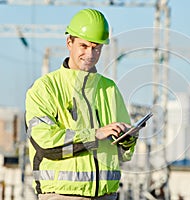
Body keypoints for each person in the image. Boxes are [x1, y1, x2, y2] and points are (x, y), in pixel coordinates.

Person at [25, 8, 138, 200]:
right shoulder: (45, 88)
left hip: (106, 195)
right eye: (84, 46)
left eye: (97, 48)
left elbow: (123, 155)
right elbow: (46, 145)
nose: (90, 54)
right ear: (69, 42)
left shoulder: (109, 89)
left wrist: (128, 140)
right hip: (62, 195)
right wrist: (94, 135)